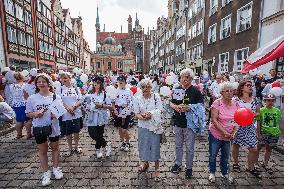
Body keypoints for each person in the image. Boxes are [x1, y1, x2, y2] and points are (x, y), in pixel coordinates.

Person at [25, 74, 63, 186]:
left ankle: (56, 168)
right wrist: (36, 114)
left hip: (54, 127)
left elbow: (60, 112)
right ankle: (46, 172)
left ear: (48, 83)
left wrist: (55, 114)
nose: (41, 83)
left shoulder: (56, 97)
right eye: (39, 82)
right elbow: (28, 113)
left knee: (55, 148)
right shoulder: (32, 98)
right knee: (43, 150)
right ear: (36, 84)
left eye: (43, 81)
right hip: (39, 127)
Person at [170, 68, 204, 178]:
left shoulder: (195, 91)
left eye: (187, 77)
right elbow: (173, 103)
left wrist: (189, 108)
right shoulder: (178, 89)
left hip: (190, 125)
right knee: (178, 146)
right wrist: (175, 106)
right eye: (183, 77)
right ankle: (178, 163)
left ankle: (189, 168)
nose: (184, 79)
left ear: (191, 79)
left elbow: (201, 108)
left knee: (189, 148)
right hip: (178, 122)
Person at [208, 82, 238, 183]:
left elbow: (238, 119)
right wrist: (224, 132)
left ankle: (224, 172)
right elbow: (214, 120)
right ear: (222, 92)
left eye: (231, 91)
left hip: (229, 135)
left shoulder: (235, 103)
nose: (230, 93)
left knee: (226, 155)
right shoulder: (217, 103)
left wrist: (234, 132)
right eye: (227, 91)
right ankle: (212, 172)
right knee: (213, 154)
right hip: (216, 134)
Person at [133, 79, 163, 182]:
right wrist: (142, 117)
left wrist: (150, 114)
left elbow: (160, 110)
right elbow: (136, 113)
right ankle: (145, 163)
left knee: (155, 147)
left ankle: (157, 170)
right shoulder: (137, 98)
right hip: (143, 126)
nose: (145, 89)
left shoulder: (156, 97)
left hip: (154, 127)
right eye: (143, 87)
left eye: (147, 87)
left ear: (151, 87)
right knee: (143, 146)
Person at [232, 80, 261, 178]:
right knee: (236, 144)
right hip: (238, 126)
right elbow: (232, 112)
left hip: (250, 127)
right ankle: (236, 163)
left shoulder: (255, 100)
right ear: (242, 87)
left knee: (254, 148)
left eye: (251, 85)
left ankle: (250, 167)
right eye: (248, 85)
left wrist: (252, 114)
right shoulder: (236, 100)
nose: (250, 87)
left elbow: (258, 113)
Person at [81, 76, 112, 159]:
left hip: (101, 116)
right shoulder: (89, 93)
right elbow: (83, 103)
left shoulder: (105, 94)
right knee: (92, 133)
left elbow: (110, 106)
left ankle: (98, 150)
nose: (95, 84)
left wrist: (101, 105)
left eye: (98, 82)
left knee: (99, 133)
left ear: (101, 84)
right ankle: (106, 144)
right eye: (94, 82)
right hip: (91, 116)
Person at [57, 72, 82, 156]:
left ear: (70, 79)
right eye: (62, 78)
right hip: (65, 114)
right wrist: (67, 108)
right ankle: (70, 148)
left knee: (76, 131)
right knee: (68, 132)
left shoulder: (76, 88)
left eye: (65, 77)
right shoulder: (59, 89)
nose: (64, 79)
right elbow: (59, 101)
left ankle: (76, 146)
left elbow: (80, 100)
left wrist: (74, 106)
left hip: (76, 113)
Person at [256, 94, 281, 174]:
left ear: (274, 101)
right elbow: (258, 122)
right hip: (264, 132)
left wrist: (277, 131)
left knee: (269, 149)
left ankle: (265, 162)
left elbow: (278, 122)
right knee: (258, 148)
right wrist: (258, 133)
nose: (270, 102)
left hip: (274, 133)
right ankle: (255, 163)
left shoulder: (277, 110)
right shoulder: (261, 110)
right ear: (265, 101)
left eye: (272, 100)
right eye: (268, 100)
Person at [113, 75, 134, 152]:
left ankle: (128, 142)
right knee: (119, 128)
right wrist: (114, 109)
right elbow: (112, 102)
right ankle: (123, 142)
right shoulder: (115, 91)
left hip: (126, 112)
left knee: (124, 129)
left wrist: (128, 106)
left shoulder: (129, 91)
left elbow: (132, 101)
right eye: (119, 82)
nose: (120, 83)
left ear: (125, 82)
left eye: (122, 82)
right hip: (118, 112)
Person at [10, 72, 32, 139]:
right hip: (24, 103)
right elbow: (27, 96)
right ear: (23, 77)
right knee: (28, 119)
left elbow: (11, 95)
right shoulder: (25, 85)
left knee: (19, 120)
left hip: (16, 104)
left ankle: (19, 134)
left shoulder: (12, 86)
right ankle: (28, 134)